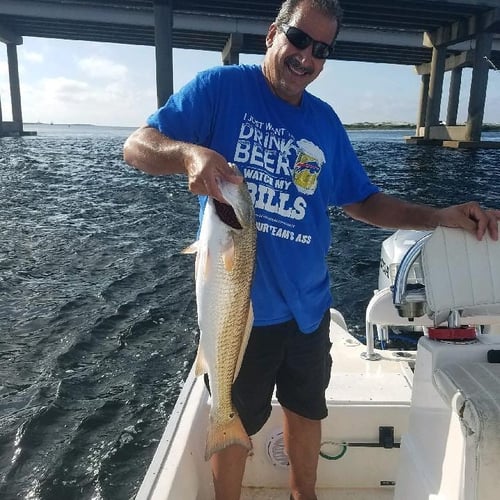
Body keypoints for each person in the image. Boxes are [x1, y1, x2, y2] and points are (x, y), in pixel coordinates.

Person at [123, 0, 500, 498]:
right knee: (233, 417)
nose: (307, 57)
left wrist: (439, 215)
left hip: (309, 307)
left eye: (322, 49)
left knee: (307, 409)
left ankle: (307, 495)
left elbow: (363, 200)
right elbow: (137, 145)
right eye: (299, 40)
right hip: (242, 310)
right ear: (272, 34)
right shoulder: (220, 89)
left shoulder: (324, 122)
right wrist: (187, 153)